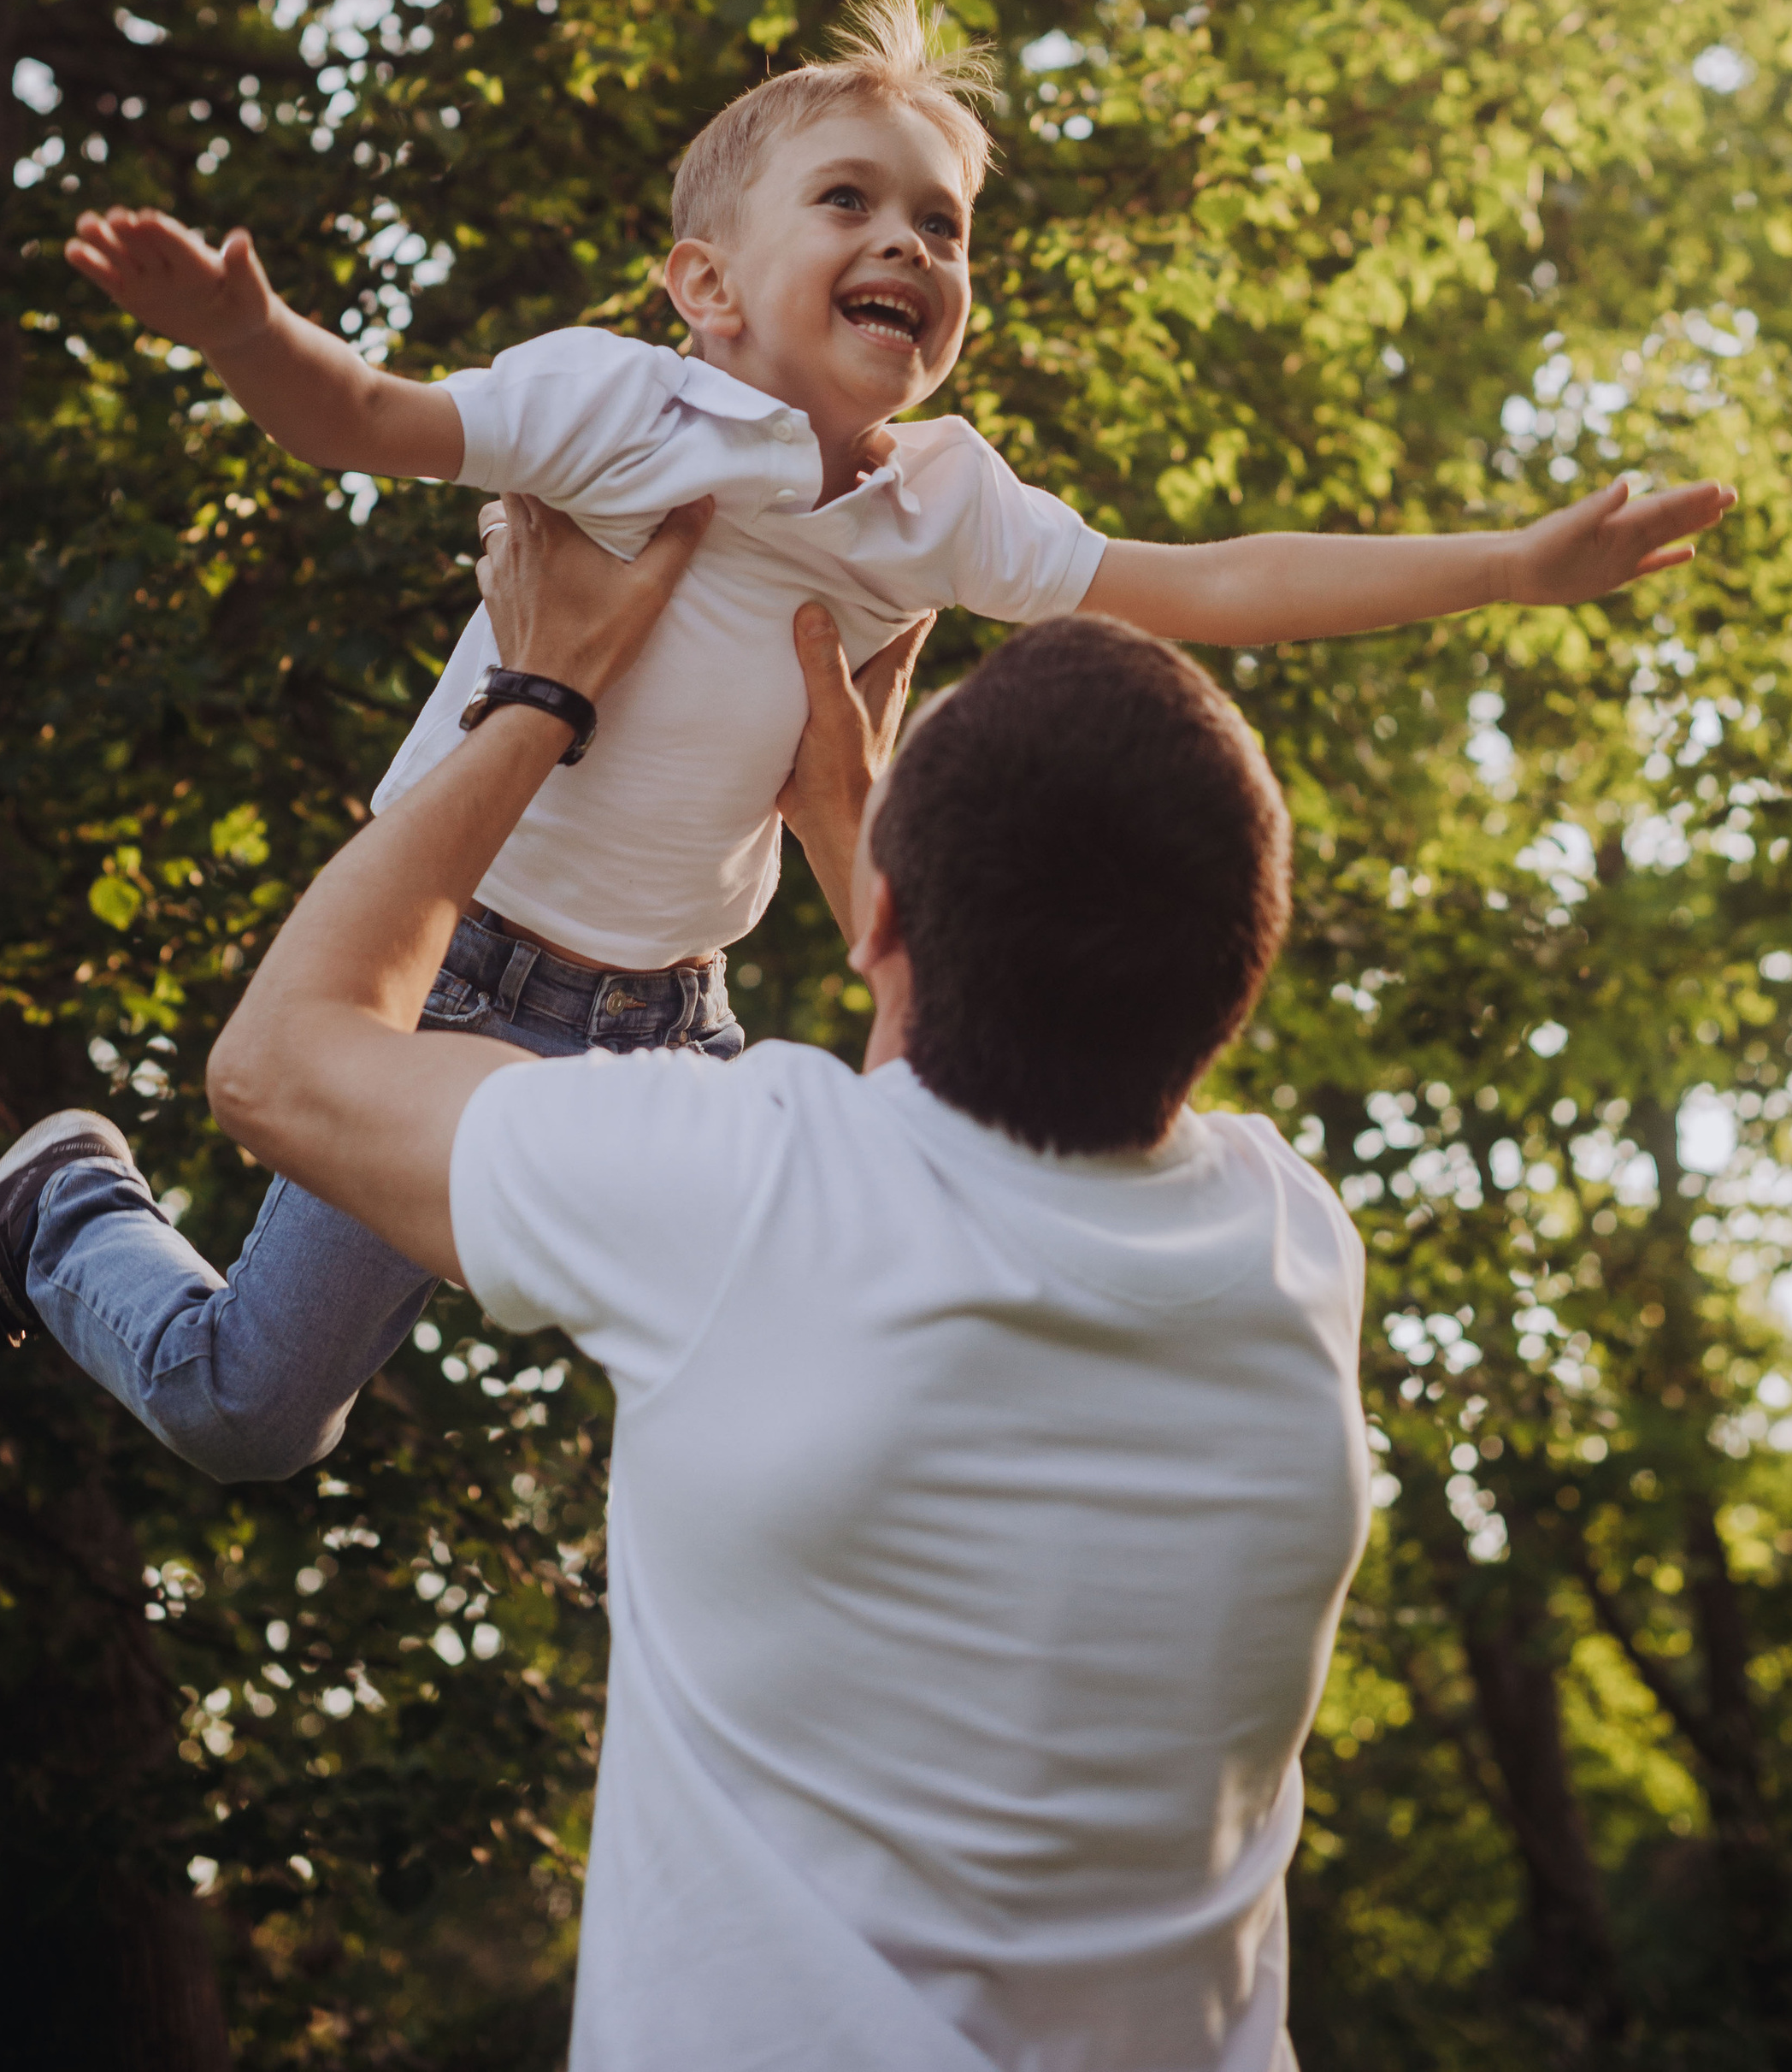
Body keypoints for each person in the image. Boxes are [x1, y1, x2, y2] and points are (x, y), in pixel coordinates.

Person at [0, 0, 1731, 1466]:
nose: (905, 244)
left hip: (670, 1016)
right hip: (445, 978)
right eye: (848, 203)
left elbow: (1210, 582)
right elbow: (367, 422)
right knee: (251, 1414)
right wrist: (243, 337)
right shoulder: (617, 410)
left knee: (822, 1365)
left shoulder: (940, 505)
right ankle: (67, 1213)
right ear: (705, 288)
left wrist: (1504, 564)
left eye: (942, 223)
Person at [209, 490, 1361, 2069]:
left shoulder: (751, 1194)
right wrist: (860, 839)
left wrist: (538, 692)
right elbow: (1000, 1110)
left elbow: (279, 1066)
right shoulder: (1288, 1254)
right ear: (1236, 973)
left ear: (886, 918)